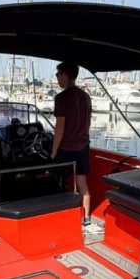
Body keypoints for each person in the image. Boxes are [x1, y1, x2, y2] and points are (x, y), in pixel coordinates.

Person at [51, 61, 92, 225]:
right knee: (82, 181)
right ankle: (86, 217)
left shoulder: (61, 98)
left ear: (65, 75)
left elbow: (59, 128)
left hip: (66, 148)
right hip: (83, 146)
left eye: (58, 75)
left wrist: (53, 152)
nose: (57, 79)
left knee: (59, 182)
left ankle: (62, 217)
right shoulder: (85, 96)